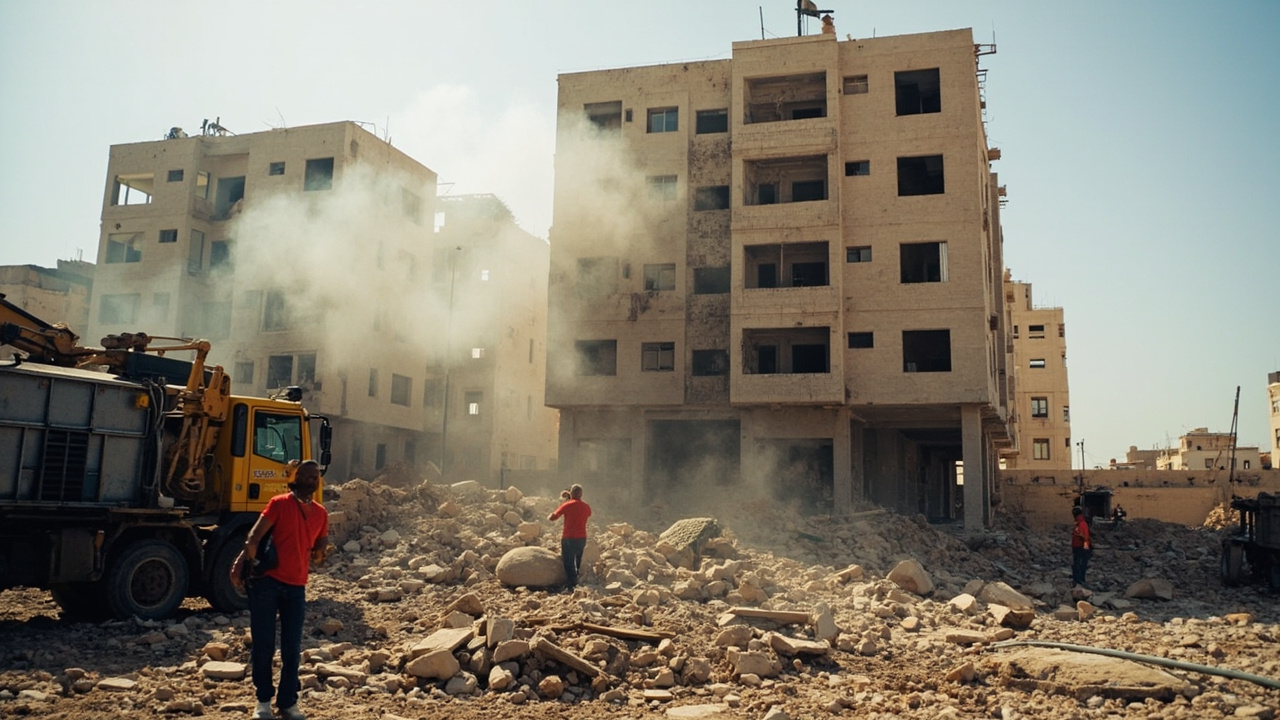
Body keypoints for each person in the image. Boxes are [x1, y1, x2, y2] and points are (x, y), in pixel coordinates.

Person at [231, 460, 329, 720]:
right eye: (307, 476)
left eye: (315, 476)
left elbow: (319, 556)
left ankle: (287, 702)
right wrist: (245, 564)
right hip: (267, 584)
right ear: (296, 478)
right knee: (263, 645)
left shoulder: (321, 513)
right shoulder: (279, 503)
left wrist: (320, 552)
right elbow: (253, 537)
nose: (311, 480)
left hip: (297, 587)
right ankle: (263, 701)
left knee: (291, 648)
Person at [547, 484, 591, 590]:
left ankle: (572, 585)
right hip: (582, 537)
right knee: (578, 560)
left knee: (568, 561)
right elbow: (587, 514)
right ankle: (578, 581)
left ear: (571, 493)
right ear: (581, 494)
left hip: (569, 537)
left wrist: (566, 502)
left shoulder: (567, 505)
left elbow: (553, 517)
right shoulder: (586, 507)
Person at [1071, 505, 1092, 589]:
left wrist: (1085, 547)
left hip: (1080, 546)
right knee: (1081, 564)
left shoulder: (1081, 524)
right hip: (1081, 546)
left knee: (1079, 564)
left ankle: (1079, 580)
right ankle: (1079, 580)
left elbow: (1084, 537)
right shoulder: (1081, 523)